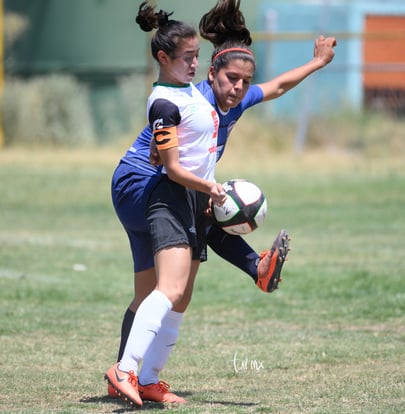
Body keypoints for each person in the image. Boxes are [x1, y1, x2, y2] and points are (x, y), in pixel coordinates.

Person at [107, 0, 336, 405]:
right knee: (197, 235)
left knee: (156, 293)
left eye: (244, 83)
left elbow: (278, 86)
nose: (238, 89)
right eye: (230, 79)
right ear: (211, 73)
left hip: (171, 186)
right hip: (140, 182)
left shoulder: (235, 99)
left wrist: (317, 63)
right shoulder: (189, 100)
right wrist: (201, 185)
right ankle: (256, 267)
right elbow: (167, 154)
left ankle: (134, 377)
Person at [104, 2, 226, 408]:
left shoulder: (186, 90)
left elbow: (167, 152)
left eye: (197, 56)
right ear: (163, 58)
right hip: (172, 197)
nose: (195, 64)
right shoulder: (163, 102)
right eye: (187, 58)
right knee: (168, 288)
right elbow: (172, 169)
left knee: (181, 296)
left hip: (190, 198)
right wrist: (211, 187)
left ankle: (151, 380)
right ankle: (125, 369)